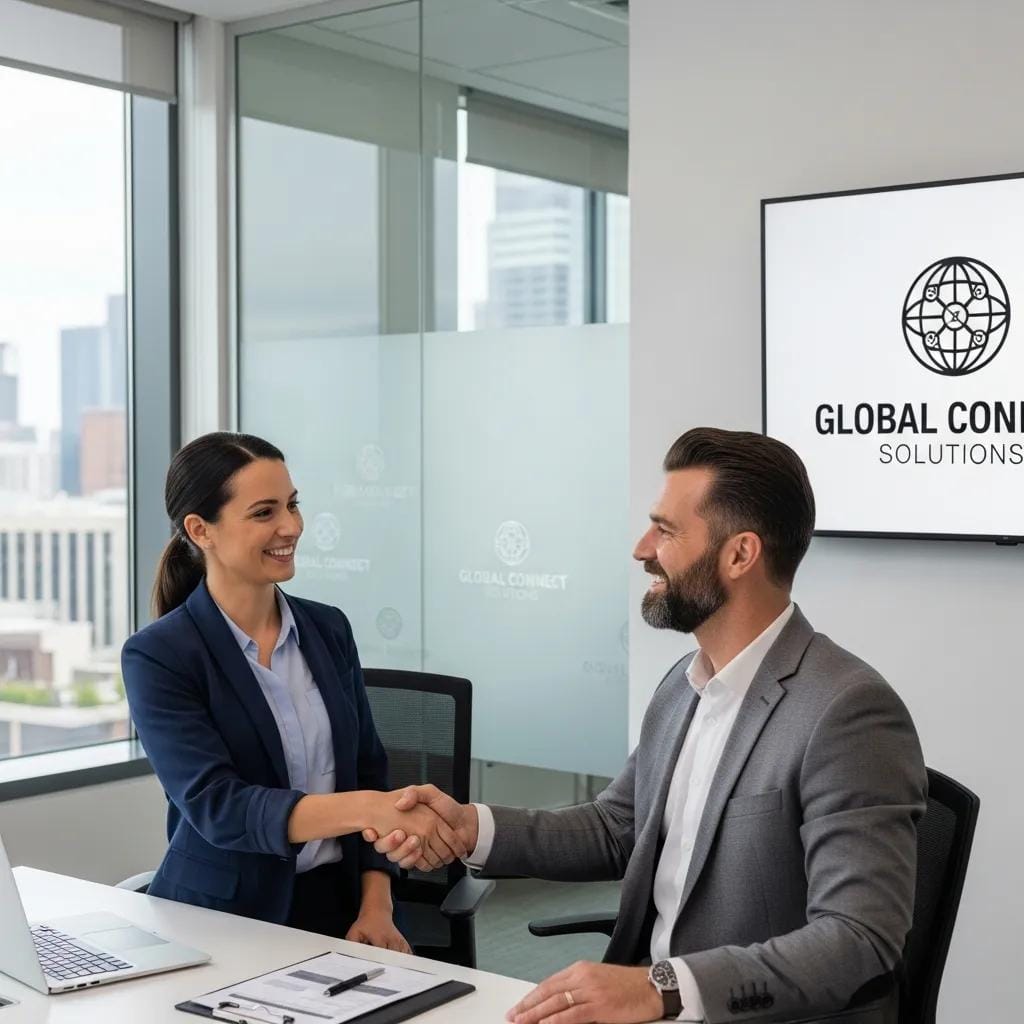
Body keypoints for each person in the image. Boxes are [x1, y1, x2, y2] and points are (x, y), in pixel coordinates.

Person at [366, 427, 927, 1023]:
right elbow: (618, 829)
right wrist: (470, 828)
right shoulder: (683, 683)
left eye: (666, 531)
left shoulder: (847, 712)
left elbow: (859, 939)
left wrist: (661, 988)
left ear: (740, 555)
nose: (642, 549)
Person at [122, 432, 465, 947]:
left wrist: (377, 906)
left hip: (339, 908)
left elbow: (368, 770)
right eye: (264, 512)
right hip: (221, 919)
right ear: (200, 529)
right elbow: (221, 808)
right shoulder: (159, 655)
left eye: (293, 504)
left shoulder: (327, 629)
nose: (292, 526)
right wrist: (367, 807)